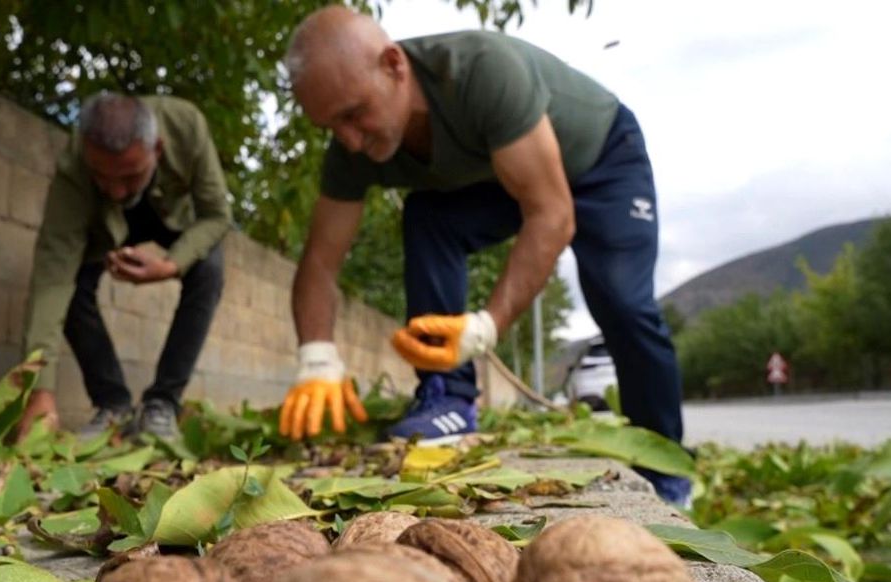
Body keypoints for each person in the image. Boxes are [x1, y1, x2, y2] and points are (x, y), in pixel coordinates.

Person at [276, 7, 691, 505]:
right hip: (503, 179)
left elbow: (552, 215)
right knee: (429, 216)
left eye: (353, 113)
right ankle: (448, 397)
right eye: (330, 126)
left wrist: (484, 327)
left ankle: (668, 469)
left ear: (393, 65)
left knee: (621, 301)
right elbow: (319, 263)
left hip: (600, 162)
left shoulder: (481, 72)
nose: (348, 139)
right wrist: (316, 357)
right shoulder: (352, 152)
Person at [16, 92, 232, 440]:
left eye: (130, 176)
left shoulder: (185, 125)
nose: (117, 191)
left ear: (157, 150)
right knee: (71, 286)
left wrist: (170, 264)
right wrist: (39, 390)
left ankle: (162, 403)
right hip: (105, 228)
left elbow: (217, 216)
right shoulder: (74, 166)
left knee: (209, 268)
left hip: (171, 219)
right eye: (102, 177)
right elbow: (51, 276)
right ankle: (112, 405)